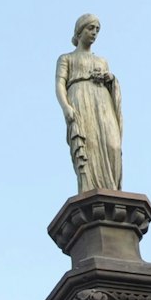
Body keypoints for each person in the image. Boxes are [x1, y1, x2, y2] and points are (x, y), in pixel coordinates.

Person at [56, 13, 123, 192]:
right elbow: (60, 84)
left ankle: (112, 188)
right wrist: (66, 107)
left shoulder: (102, 61)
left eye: (97, 30)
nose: (94, 33)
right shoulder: (66, 58)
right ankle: (89, 188)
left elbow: (112, 82)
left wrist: (110, 78)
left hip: (102, 101)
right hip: (80, 98)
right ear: (80, 31)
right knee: (89, 144)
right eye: (90, 28)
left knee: (113, 145)